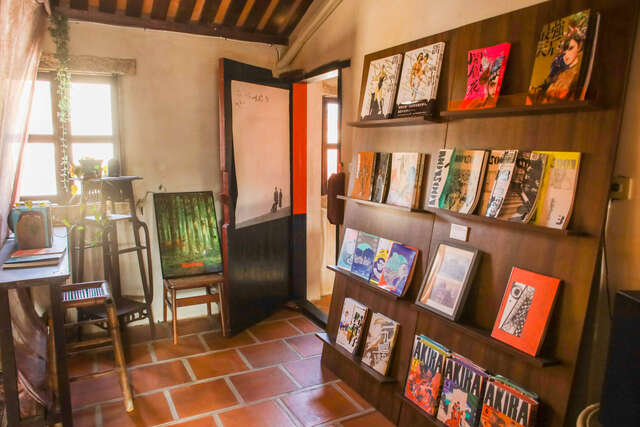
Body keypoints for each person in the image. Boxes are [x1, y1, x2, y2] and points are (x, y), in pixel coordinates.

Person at [529, 26, 586, 103]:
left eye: (570, 48)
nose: (566, 54)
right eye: (564, 50)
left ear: (579, 47)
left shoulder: (577, 74)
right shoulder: (558, 70)